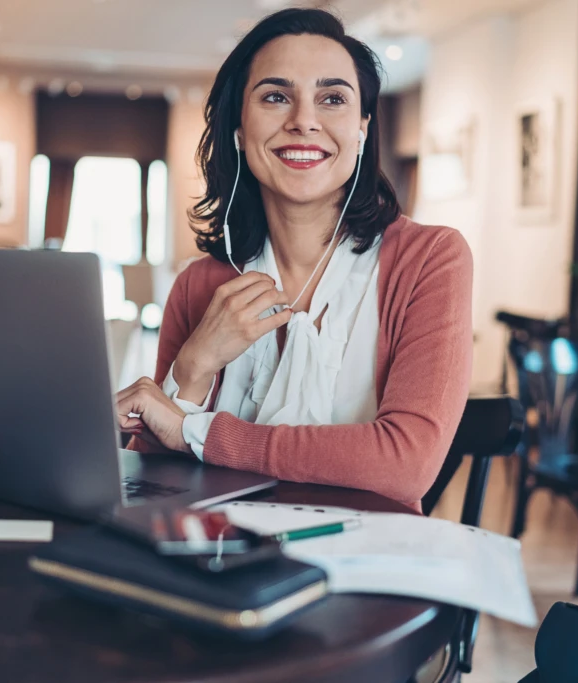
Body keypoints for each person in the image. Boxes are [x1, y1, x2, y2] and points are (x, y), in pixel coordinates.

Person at [116, 8, 472, 509]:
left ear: (362, 129)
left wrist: (202, 433)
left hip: (370, 564)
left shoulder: (431, 259)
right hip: (222, 562)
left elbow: (405, 465)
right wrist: (194, 364)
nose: (304, 120)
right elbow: (154, 478)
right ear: (239, 128)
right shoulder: (198, 284)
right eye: (276, 96)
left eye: (332, 99)